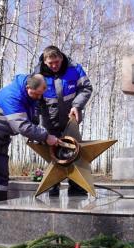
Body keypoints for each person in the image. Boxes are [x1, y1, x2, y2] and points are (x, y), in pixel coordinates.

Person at [0, 74, 58, 239]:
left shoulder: (31, 96)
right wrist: (45, 136)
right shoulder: (12, 95)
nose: (39, 97)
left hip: (1, 137)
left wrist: (41, 134)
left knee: (1, 178)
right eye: (36, 94)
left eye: (41, 94)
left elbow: (32, 121)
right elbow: (21, 126)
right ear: (28, 88)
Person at [34, 45, 92, 196]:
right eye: (50, 63)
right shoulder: (37, 73)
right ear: (45, 62)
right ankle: (53, 185)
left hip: (70, 119)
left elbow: (86, 88)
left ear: (61, 57)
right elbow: (33, 97)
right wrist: (35, 120)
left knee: (74, 150)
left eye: (56, 62)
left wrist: (77, 106)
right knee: (52, 152)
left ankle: (77, 186)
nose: (54, 66)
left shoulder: (74, 68)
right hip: (48, 121)